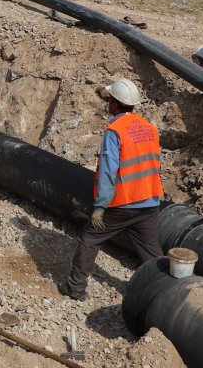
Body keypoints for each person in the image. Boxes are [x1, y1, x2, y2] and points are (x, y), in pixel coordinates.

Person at [61, 78, 164, 301]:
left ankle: (75, 287)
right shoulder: (149, 129)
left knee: (90, 239)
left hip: (123, 203)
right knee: (152, 253)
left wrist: (100, 207)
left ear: (115, 104)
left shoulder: (115, 131)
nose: (108, 103)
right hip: (150, 201)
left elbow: (108, 172)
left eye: (110, 100)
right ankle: (164, 293)